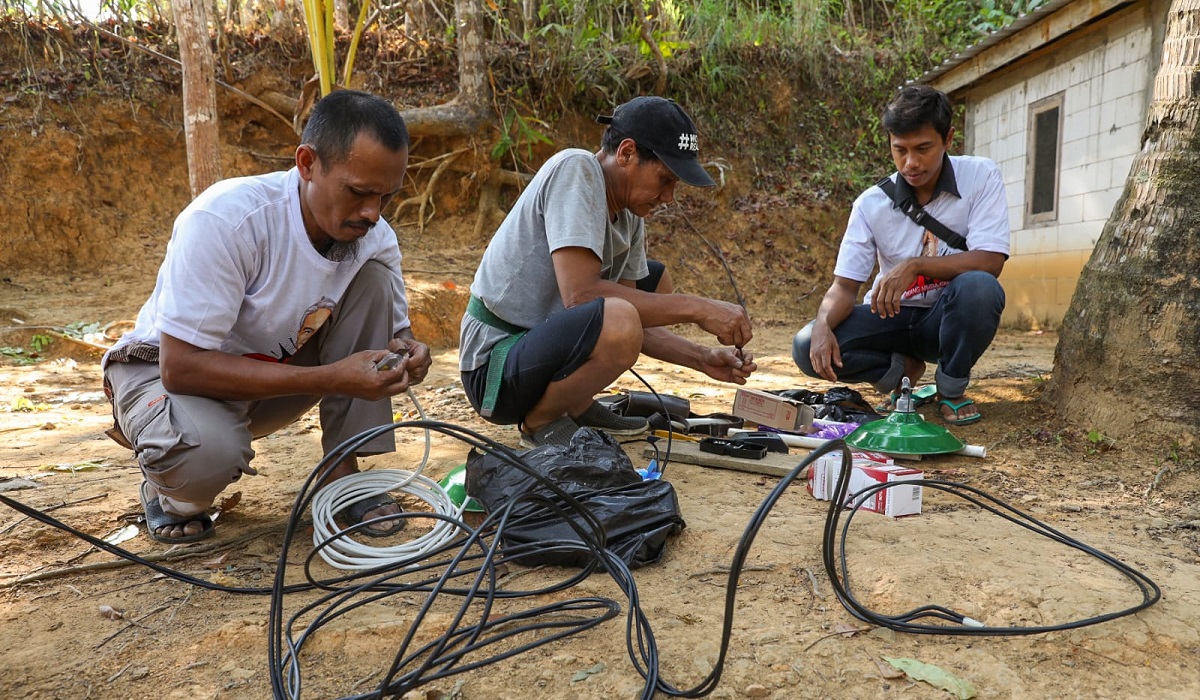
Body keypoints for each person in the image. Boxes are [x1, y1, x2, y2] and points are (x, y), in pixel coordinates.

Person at [102, 89, 432, 543]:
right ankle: (168, 494)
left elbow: (393, 334)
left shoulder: (374, 237)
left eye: (386, 197)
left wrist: (407, 354)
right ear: (307, 163)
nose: (372, 213)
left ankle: (343, 474)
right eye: (358, 192)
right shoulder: (227, 219)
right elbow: (180, 368)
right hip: (162, 377)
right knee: (204, 461)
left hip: (265, 377)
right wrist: (333, 377)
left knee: (372, 277)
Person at [459, 96, 756, 447]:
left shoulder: (630, 213)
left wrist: (702, 357)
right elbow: (583, 297)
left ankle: (575, 405)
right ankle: (542, 421)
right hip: (495, 367)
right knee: (620, 314)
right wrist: (699, 308)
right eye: (665, 180)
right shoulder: (577, 168)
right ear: (627, 153)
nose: (669, 197)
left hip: (535, 355)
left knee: (652, 285)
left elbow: (633, 326)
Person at [792, 85, 1009, 425]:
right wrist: (822, 324)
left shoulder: (980, 176)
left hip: (946, 319)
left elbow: (991, 260)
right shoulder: (870, 204)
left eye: (923, 148)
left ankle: (951, 389)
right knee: (807, 345)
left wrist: (916, 265)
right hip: (890, 318)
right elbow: (845, 287)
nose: (911, 163)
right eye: (900, 150)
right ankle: (901, 373)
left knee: (979, 287)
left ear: (948, 138)